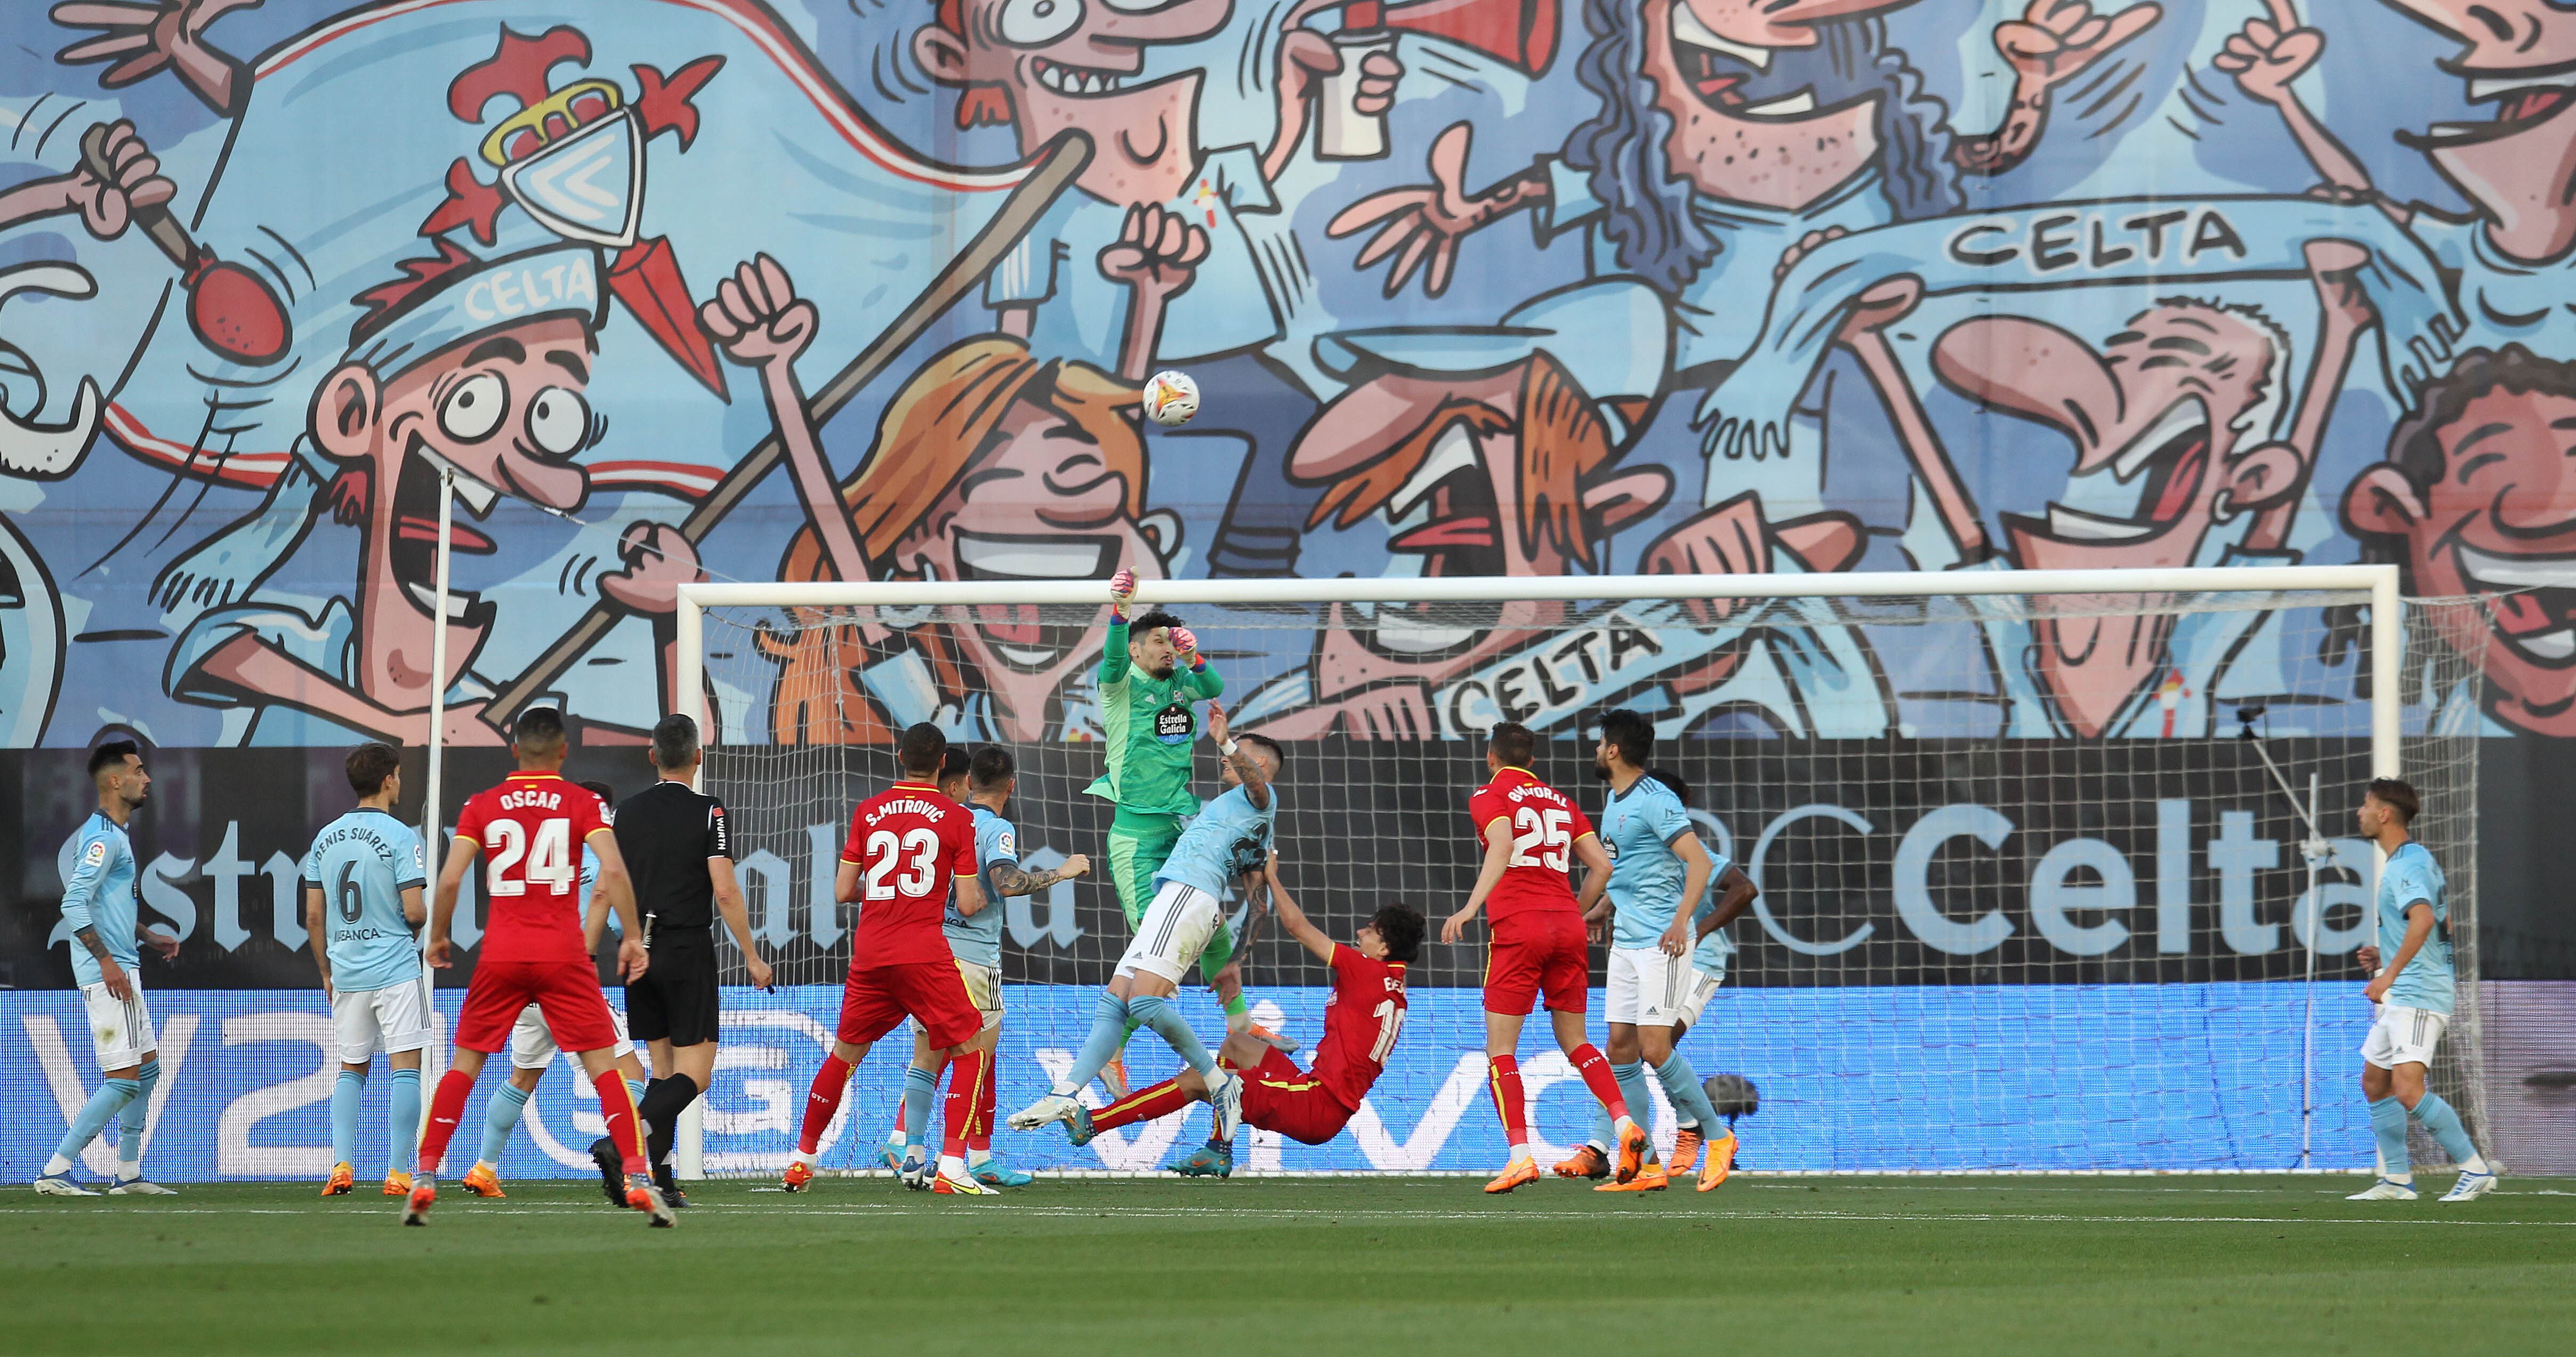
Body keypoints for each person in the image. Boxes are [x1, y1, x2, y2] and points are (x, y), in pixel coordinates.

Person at [404, 707, 670, 1226]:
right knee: (605, 1068)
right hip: (564, 955)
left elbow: (452, 876)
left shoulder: (481, 804)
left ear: (514, 750)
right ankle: (637, 1172)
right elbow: (612, 869)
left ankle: (426, 1173)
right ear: (564, 751)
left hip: (501, 953)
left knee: (465, 1065)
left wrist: (436, 936)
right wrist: (634, 938)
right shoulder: (581, 802)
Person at [1009, 704, 1278, 1140]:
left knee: (1144, 1003)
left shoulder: (1259, 799)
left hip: (1188, 897)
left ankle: (1219, 1083)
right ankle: (1066, 1092)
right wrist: (1236, 961)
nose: (1224, 759)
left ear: (1260, 765)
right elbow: (1260, 902)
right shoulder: (1249, 826)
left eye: (1237, 755)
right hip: (1178, 899)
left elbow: (1258, 786)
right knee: (1115, 1000)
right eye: (1228, 753)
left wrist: (1227, 739)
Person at [1077, 860, 1422, 1180]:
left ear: (1384, 949)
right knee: (1236, 1044)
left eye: (1372, 931)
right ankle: (1218, 1149)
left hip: (1315, 1104)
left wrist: (1269, 875)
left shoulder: (1367, 970)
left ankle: (1092, 1123)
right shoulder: (1394, 985)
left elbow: (1297, 927)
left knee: (1201, 1078)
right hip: (1316, 1092)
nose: (1361, 933)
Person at [785, 723, 993, 1196]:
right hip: (923, 954)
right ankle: (954, 1167)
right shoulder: (957, 817)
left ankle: (802, 1159)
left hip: (872, 953)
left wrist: (884, 894)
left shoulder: (869, 810)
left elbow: (842, 892)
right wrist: (973, 897)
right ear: (944, 765)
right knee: (971, 1050)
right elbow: (964, 904)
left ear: (900, 757)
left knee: (844, 1056)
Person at [1441, 722, 1646, 1193]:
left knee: (1501, 1050)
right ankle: (1623, 1126)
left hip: (1518, 926)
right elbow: (1603, 867)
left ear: (1491, 759)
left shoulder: (1488, 793)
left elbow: (1504, 844)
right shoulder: (1561, 801)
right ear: (1532, 762)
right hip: (1567, 928)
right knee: (1577, 1041)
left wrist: (1471, 907)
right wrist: (1573, 913)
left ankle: (1519, 1157)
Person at [1089, 567, 1273, 1091]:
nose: (1166, 648)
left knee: (1208, 925)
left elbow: (1212, 686)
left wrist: (1194, 657)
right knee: (1153, 949)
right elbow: (1112, 656)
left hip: (1177, 832)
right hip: (1134, 841)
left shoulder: (1179, 684)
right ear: (1139, 650)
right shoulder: (1120, 685)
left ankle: (1237, 1021)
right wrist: (1121, 612)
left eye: (1171, 640)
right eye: (1157, 642)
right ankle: (1112, 1052)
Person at [583, 714, 775, 1208]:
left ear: (652, 758)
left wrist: (588, 951)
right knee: (697, 1073)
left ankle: (660, 1179)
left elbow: (605, 883)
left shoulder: (623, 813)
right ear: (699, 756)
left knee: (663, 1073)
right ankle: (628, 1142)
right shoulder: (709, 812)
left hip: (638, 951)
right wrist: (752, 956)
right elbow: (726, 889)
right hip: (686, 949)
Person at [1564, 712, 1758, 1193]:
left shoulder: (1656, 799)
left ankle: (1715, 1136)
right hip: (1627, 942)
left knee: (1655, 1047)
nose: (1595, 750)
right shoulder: (1614, 801)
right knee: (1621, 1050)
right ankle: (1647, 1163)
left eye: (1600, 743)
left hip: (1661, 942)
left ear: (1613, 749)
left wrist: (1680, 923)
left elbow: (1697, 862)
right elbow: (1610, 871)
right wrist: (1571, 918)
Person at [880, 747, 1090, 1187]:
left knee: (929, 1053)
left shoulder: (945, 819)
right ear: (1011, 786)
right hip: (974, 958)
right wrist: (1063, 872)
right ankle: (961, 1162)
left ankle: (911, 1147)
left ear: (967, 782)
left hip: (930, 953)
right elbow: (1007, 883)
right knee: (977, 1059)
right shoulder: (997, 828)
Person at [463, 782, 653, 1204]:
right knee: (632, 1075)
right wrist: (636, 937)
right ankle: (620, 1153)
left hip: (520, 981)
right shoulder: (597, 858)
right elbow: (614, 914)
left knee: (523, 1077)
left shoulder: (541, 856)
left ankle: (483, 1168)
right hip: (565, 982)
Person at [34, 739, 181, 1196]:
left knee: (149, 1069)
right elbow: (73, 904)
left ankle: (128, 1173)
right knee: (123, 1081)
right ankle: (56, 1169)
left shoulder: (115, 835)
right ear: (115, 781)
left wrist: (147, 936)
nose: (147, 778)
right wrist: (106, 961)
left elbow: (104, 905)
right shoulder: (101, 838)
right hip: (107, 974)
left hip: (121, 965)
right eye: (138, 771)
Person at [2346, 778, 2496, 1203]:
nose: (2360, 811)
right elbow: (2443, 926)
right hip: (2408, 990)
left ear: (2384, 813)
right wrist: (2386, 953)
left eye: (2366, 804)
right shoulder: (2413, 861)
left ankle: (2474, 1168)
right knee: (2375, 1082)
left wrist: (2388, 974)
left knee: (2408, 1089)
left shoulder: (2408, 864)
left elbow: (2426, 919)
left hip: (2417, 994)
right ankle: (2396, 1179)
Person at [304, 742, 430, 1198]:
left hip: (346, 971)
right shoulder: (401, 837)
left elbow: (314, 917)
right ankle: (398, 1173)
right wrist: (413, 923)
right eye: (397, 774)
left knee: (351, 1069)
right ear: (388, 780)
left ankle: (340, 1165)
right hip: (394, 967)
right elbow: (415, 913)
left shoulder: (325, 837)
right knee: (406, 1070)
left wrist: (326, 970)